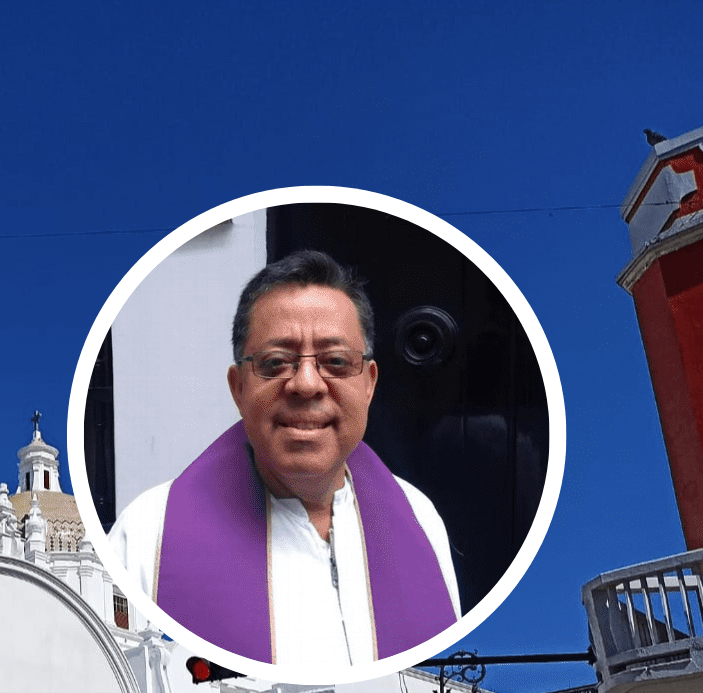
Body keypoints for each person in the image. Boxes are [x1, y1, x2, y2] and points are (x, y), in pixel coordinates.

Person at [108, 250, 460, 670]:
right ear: (238, 388)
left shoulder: (420, 519)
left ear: (368, 384)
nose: (307, 384)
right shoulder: (148, 537)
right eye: (276, 363)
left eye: (335, 362)